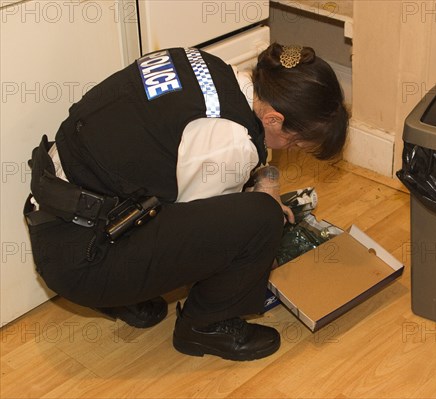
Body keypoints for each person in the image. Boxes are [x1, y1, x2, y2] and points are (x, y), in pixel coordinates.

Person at [24, 43, 348, 361]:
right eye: (294, 142)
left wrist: (260, 180)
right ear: (275, 119)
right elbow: (204, 232)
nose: (289, 149)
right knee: (260, 219)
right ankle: (206, 327)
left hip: (63, 214)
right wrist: (258, 255)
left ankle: (128, 293)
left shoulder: (211, 68)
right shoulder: (231, 143)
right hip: (84, 258)